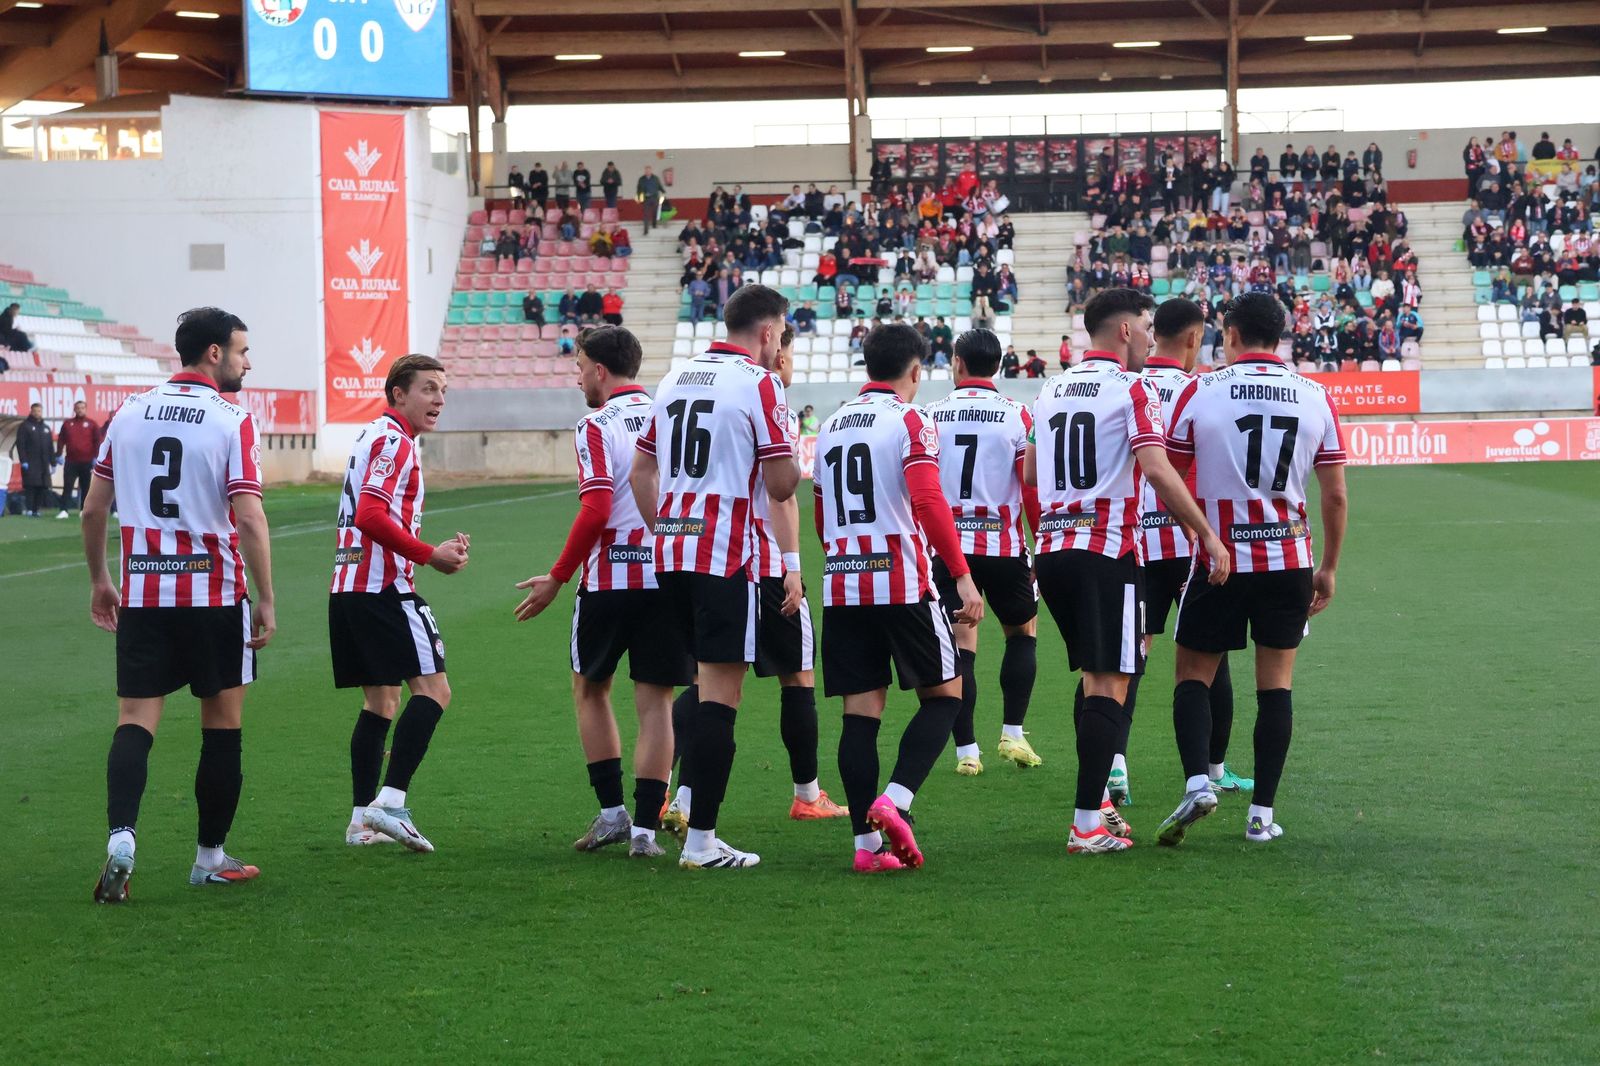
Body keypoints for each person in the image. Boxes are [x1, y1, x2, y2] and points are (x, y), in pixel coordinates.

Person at [1024, 287, 1229, 855]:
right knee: (1111, 682)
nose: (1149, 336)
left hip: (1053, 549)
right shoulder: (1132, 387)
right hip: (1105, 551)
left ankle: (1099, 806)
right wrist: (1204, 532)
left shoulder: (1051, 388)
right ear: (1123, 331)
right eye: (1144, 325)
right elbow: (1158, 469)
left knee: (1096, 679)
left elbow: (1033, 472)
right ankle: (1085, 824)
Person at [85, 306, 275, 903]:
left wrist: (101, 580)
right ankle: (209, 859)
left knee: (134, 721)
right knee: (222, 726)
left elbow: (92, 510)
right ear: (214, 353)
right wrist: (267, 598)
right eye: (242, 351)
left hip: (144, 594)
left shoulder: (129, 412)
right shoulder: (231, 419)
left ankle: (122, 838)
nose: (248, 362)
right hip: (214, 594)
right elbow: (249, 517)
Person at [1156, 291, 1348, 847]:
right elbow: (1335, 495)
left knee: (1193, 674)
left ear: (1232, 334)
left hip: (1220, 560)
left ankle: (1198, 783)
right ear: (1280, 335)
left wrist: (1200, 531)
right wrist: (1328, 567)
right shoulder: (1315, 395)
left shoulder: (1200, 389)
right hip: (1289, 560)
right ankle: (1261, 816)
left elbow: (1169, 476)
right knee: (1276, 686)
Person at [629, 284, 800, 870]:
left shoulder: (674, 378)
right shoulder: (760, 383)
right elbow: (781, 485)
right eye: (781, 333)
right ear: (769, 333)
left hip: (671, 552)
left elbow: (642, 470)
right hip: (726, 557)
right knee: (721, 699)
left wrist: (665, 526)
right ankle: (702, 840)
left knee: (703, 688)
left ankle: (681, 817)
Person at [511, 326, 691, 858]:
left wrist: (558, 576)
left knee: (591, 689)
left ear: (599, 370)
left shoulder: (596, 424)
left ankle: (613, 813)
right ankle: (644, 832)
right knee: (656, 702)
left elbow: (595, 508)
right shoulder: (669, 416)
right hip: (666, 576)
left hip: (609, 580)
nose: (578, 378)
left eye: (580, 367)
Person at [812, 323, 983, 872]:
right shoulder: (911, 420)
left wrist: (843, 558)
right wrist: (961, 575)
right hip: (902, 581)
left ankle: (866, 849)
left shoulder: (832, 424)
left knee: (860, 715)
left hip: (843, 583)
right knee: (946, 695)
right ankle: (897, 800)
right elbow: (929, 501)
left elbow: (821, 515)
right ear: (915, 370)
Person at [664, 326, 848, 832]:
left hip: (699, 555)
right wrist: (792, 566)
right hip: (757, 561)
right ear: (774, 349)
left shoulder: (696, 389)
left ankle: (677, 793)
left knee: (708, 682)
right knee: (796, 676)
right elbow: (781, 494)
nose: (789, 360)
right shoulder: (769, 403)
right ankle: (806, 794)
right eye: (786, 348)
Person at [1110, 297, 1251, 810]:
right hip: (1190, 542)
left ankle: (1115, 763)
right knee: (1210, 656)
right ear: (1194, 338)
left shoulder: (1127, 386)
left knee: (1128, 657)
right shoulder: (1203, 390)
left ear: (1155, 334)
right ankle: (1213, 769)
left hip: (1135, 543)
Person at [330, 355, 470, 852]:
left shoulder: (372, 435)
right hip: (384, 588)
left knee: (381, 701)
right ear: (398, 394)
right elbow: (370, 514)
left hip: (348, 586)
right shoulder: (394, 440)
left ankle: (360, 822)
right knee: (434, 690)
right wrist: (429, 554)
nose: (439, 399)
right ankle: (389, 803)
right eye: (428, 389)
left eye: (443, 390)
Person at [925, 329, 1042, 776]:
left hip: (949, 550)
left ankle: (966, 752)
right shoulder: (1017, 415)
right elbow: (1029, 487)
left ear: (957, 362)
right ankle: (1012, 733)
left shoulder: (931, 414)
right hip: (1004, 546)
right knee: (1022, 633)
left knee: (961, 643)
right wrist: (1040, 541)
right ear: (999, 365)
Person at [55, 399, 100, 518]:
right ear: (74, 409)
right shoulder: (67, 424)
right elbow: (61, 439)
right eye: (78, 408)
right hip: (71, 461)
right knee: (68, 486)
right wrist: (58, 454)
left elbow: (97, 441)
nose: (80, 410)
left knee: (86, 487)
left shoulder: (92, 424)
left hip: (87, 461)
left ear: (85, 409)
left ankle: (83, 510)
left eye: (82, 408)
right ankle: (64, 510)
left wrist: (96, 457)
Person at [10, 402, 53, 516]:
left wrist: (53, 462)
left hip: (43, 464)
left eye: (39, 411)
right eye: (35, 411)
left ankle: (36, 509)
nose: (37, 413)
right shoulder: (25, 426)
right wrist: (23, 460)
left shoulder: (46, 428)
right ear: (31, 411)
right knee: (31, 486)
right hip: (30, 462)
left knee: (42, 486)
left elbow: (50, 446)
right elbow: (21, 445)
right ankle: (29, 509)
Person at [636, 166, 665, 234]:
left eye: (649, 170)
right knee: (646, 214)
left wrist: (663, 191)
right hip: (646, 198)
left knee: (655, 212)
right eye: (646, 170)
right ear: (645, 171)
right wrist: (638, 197)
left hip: (654, 197)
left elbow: (659, 186)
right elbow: (638, 189)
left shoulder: (655, 178)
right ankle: (645, 230)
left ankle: (654, 224)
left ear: (651, 171)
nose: (647, 172)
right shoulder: (641, 179)